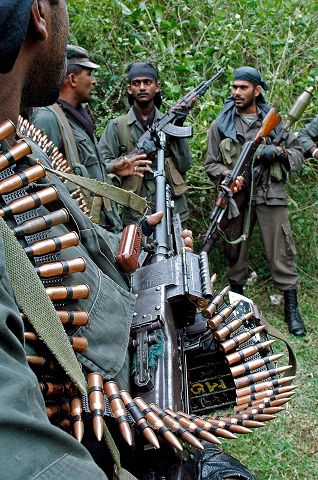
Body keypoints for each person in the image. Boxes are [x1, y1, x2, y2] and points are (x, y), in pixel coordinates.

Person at [0, 2, 259, 479]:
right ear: (38, 13)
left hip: (118, 386)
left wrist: (134, 248)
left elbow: (74, 238)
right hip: (92, 425)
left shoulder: (19, 143)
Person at [204, 66, 306, 337]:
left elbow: (297, 153)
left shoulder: (274, 123)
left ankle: (291, 309)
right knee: (235, 254)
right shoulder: (221, 125)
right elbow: (211, 164)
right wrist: (228, 176)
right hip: (237, 198)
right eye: (234, 87)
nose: (236, 92)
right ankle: (237, 304)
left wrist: (279, 152)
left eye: (243, 87)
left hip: (270, 195)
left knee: (280, 251)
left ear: (256, 91)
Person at [31, 45, 151, 232]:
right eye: (89, 74)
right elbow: (40, 181)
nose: (94, 81)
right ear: (72, 79)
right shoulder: (48, 118)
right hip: (78, 230)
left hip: (101, 226)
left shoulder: (80, 118)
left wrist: (114, 168)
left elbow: (86, 169)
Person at [99, 62, 193, 227]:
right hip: (136, 208)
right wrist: (120, 164)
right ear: (129, 89)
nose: (142, 87)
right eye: (136, 83)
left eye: (147, 82)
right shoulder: (117, 126)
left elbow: (185, 165)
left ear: (157, 87)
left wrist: (177, 124)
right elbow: (100, 166)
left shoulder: (169, 123)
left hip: (171, 206)